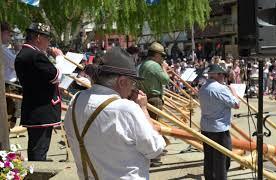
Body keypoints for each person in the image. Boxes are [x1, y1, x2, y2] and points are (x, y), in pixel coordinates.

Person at [64, 47, 165, 180]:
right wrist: (143, 109)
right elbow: (155, 149)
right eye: (133, 83)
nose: (133, 88)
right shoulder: (127, 109)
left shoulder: (76, 99)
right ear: (122, 82)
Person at [14, 22, 63, 161]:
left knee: (37, 150)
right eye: (47, 39)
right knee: (39, 152)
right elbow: (56, 75)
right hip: (42, 111)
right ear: (39, 38)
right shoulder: (35, 56)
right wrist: (60, 58)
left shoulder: (24, 54)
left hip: (35, 110)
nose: (48, 43)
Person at [199, 64, 240, 180]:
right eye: (223, 75)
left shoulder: (202, 87)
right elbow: (236, 104)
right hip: (219, 129)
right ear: (218, 75)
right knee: (222, 160)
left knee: (209, 159)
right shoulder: (220, 88)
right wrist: (234, 92)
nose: (224, 78)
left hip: (206, 128)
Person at [138, 42, 170, 167]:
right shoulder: (155, 66)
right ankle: (154, 156)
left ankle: (154, 153)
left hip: (146, 98)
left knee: (149, 127)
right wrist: (164, 69)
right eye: (161, 56)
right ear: (156, 55)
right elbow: (165, 80)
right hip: (154, 99)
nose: (162, 58)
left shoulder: (143, 65)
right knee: (156, 128)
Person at [1, 22, 19, 128]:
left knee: (9, 119)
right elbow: (16, 64)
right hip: (7, 86)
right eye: (8, 34)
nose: (9, 37)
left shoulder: (4, 48)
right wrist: (18, 51)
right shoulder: (2, 49)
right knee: (7, 120)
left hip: (8, 85)